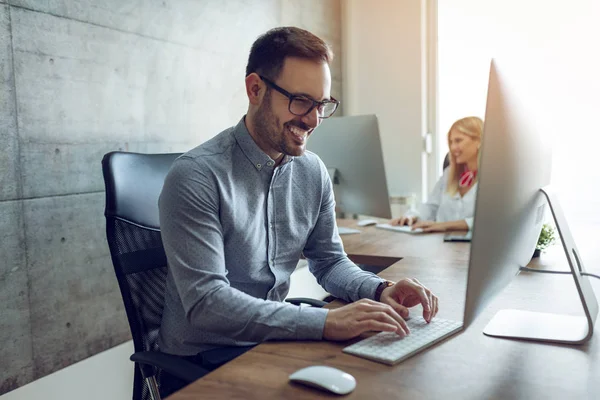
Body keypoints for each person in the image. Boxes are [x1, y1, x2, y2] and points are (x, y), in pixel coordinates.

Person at [157, 26, 439, 395]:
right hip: (205, 360)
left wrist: (376, 289)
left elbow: (329, 261)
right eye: (301, 100)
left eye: (322, 104)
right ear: (255, 89)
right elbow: (209, 304)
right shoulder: (196, 176)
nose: (312, 119)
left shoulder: (312, 171)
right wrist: (325, 321)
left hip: (273, 343)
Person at [391, 116, 483, 232]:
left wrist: (444, 225)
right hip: (441, 244)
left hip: (471, 247)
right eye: (451, 142)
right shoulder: (449, 173)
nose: (453, 147)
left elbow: (492, 221)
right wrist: (412, 216)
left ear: (479, 141)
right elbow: (430, 206)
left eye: (458, 140)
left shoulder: (494, 178)